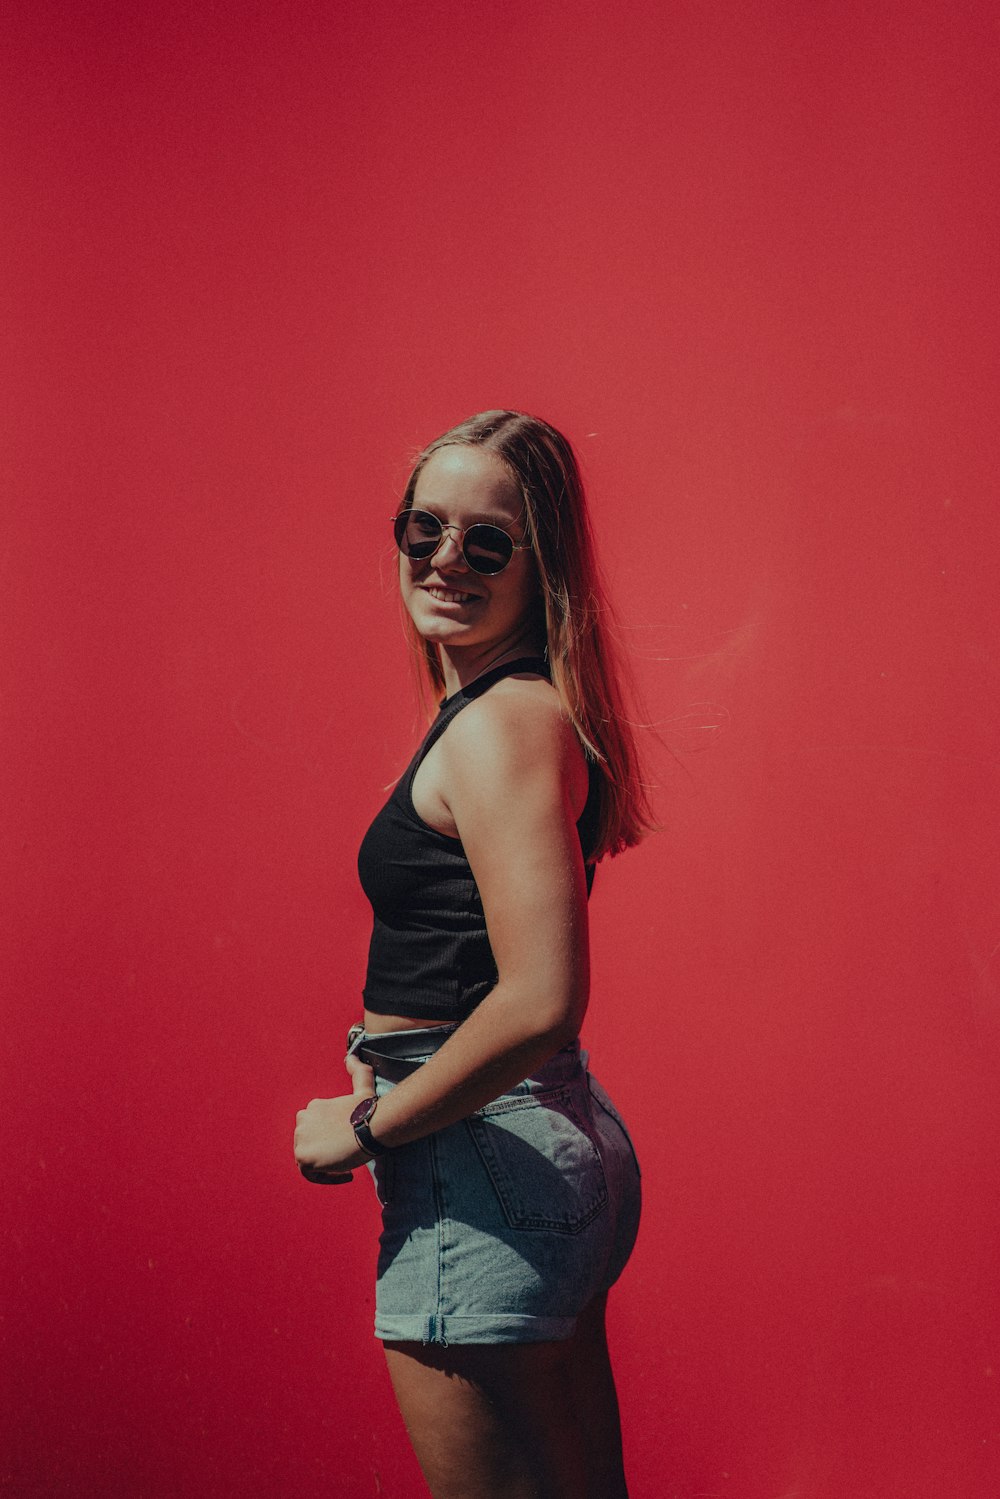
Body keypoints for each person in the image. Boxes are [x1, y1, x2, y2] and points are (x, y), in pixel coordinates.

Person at [294, 410, 652, 1499]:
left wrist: (365, 1124)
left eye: (486, 541)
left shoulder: (501, 724)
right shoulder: (508, 711)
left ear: (540, 565)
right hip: (527, 1144)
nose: (446, 559)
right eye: (423, 530)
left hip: (478, 1163)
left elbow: (541, 995)